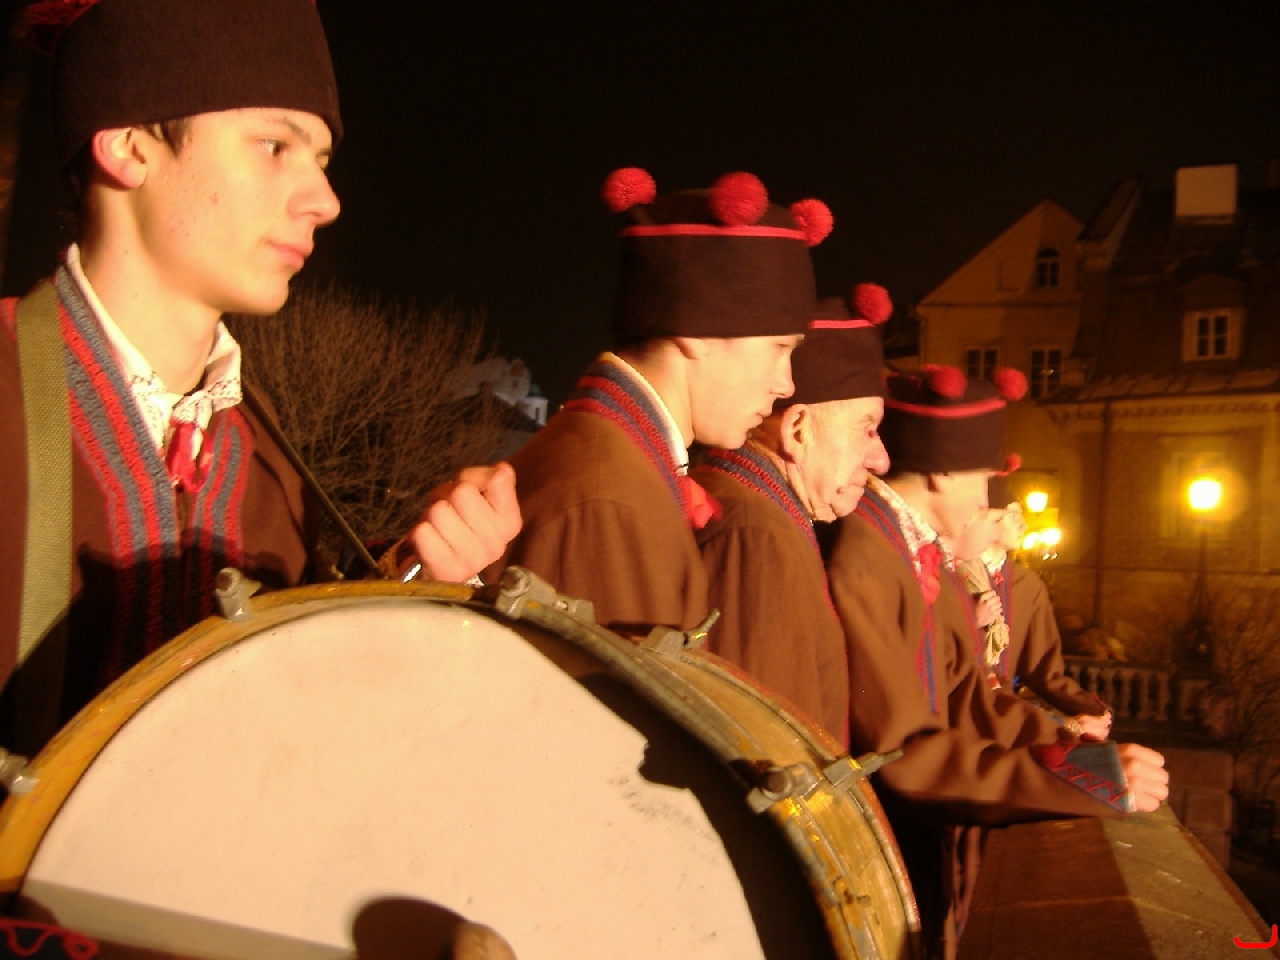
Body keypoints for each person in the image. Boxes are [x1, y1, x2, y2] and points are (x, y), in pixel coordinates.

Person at [0, 0, 522, 760]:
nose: (326, 202)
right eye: (275, 146)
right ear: (128, 146)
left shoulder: (266, 451)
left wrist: (419, 576)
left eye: (322, 161)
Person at [826, 365, 1168, 960]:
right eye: (982, 481)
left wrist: (1068, 743)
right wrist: (1083, 776)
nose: (986, 502)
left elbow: (970, 698)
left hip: (919, 833)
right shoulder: (868, 557)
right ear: (941, 471)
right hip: (885, 851)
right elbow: (903, 754)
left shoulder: (906, 552)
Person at [499, 167, 832, 636]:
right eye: (779, 348)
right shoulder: (610, 499)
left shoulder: (621, 464)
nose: (787, 384)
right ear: (697, 331)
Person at [691, 284, 891, 741]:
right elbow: (766, 745)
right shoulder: (756, 536)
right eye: (867, 429)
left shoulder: (764, 517)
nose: (881, 460)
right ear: (798, 429)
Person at [958, 503, 1112, 739]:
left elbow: (1043, 667)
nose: (1023, 524)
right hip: (958, 712)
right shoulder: (951, 572)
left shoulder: (1027, 585)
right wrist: (971, 621)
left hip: (1003, 718)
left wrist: (1092, 709)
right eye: (1012, 515)